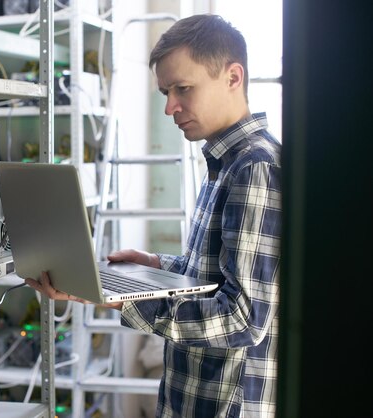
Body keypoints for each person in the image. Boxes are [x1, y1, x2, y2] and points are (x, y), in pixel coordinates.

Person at [25, 13, 281, 418]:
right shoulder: (227, 164)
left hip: (225, 405)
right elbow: (218, 277)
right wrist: (157, 267)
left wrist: (122, 301)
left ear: (233, 77)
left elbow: (242, 317)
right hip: (194, 396)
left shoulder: (254, 168)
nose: (170, 108)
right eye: (165, 92)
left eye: (183, 89)